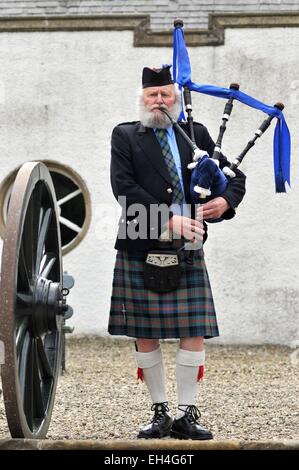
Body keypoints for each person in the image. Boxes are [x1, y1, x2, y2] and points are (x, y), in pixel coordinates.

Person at [108, 65, 246, 440]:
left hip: (188, 248)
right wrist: (167, 219)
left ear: (175, 100)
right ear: (141, 98)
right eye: (152, 95)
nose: (159, 101)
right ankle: (159, 412)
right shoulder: (125, 136)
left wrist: (223, 202)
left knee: (193, 331)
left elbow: (235, 178)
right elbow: (123, 188)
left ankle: (186, 413)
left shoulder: (196, 133)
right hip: (141, 241)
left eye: (165, 95)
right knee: (145, 333)